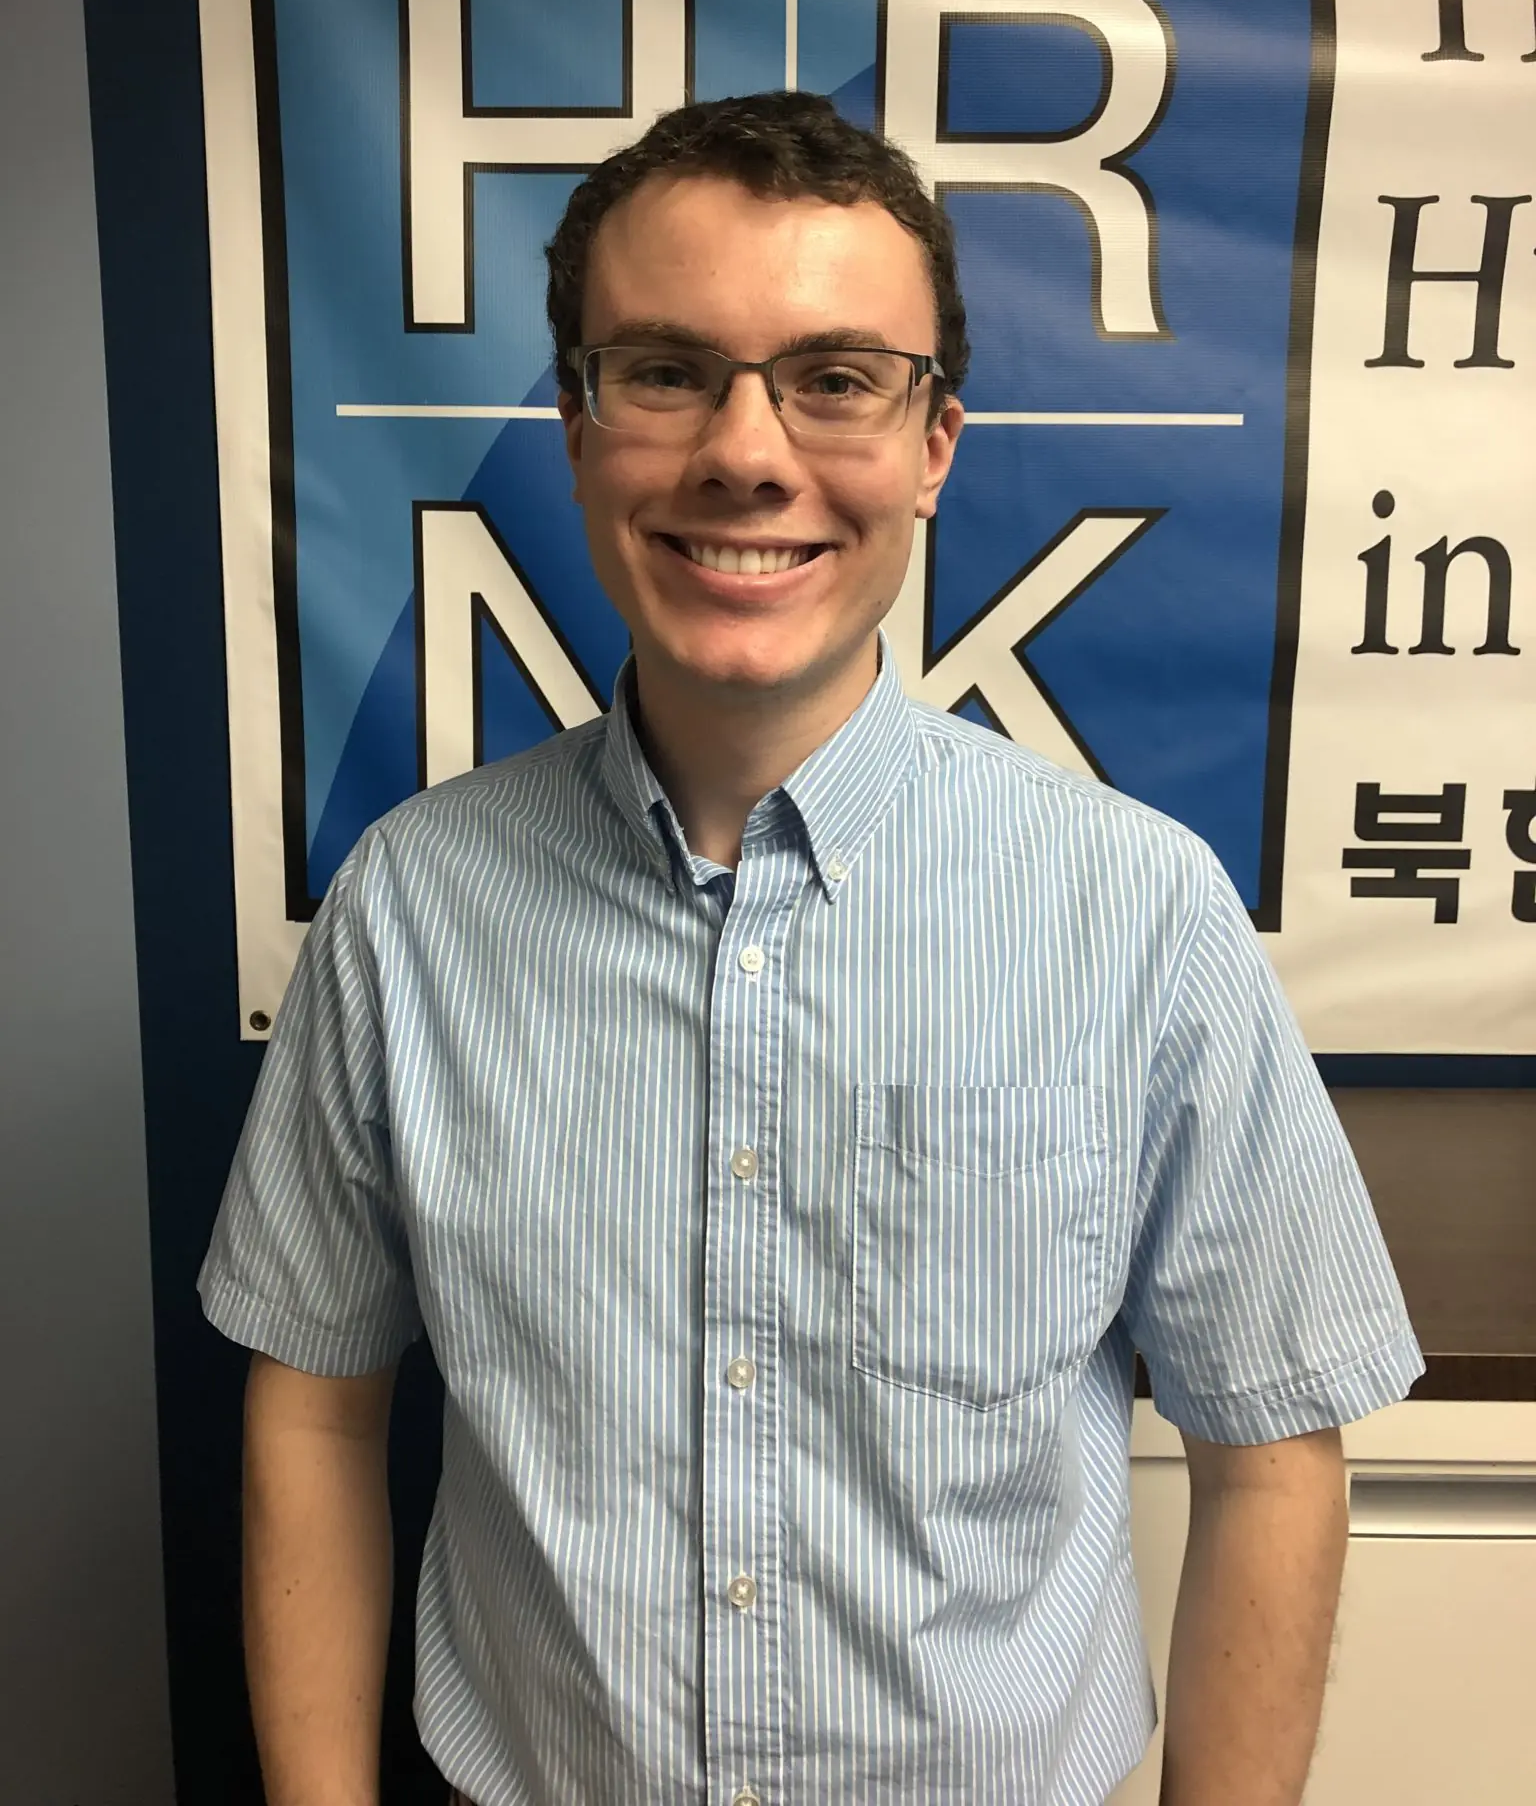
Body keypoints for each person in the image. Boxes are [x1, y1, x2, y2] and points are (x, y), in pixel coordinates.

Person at [200, 89, 1423, 1806]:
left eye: (837, 379)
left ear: (934, 445)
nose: (748, 452)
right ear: (577, 424)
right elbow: (315, 1409)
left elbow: (1275, 1448)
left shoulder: (1140, 914)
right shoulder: (409, 913)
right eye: (665, 370)